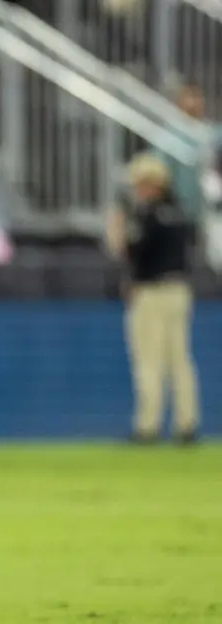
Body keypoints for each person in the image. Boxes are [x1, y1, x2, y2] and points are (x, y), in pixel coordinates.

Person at [109, 152, 199, 443]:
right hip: (180, 290)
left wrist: (119, 229)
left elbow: (133, 252)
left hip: (151, 292)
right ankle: (187, 424)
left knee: (148, 360)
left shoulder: (148, 216)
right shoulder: (180, 212)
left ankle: (147, 426)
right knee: (179, 359)